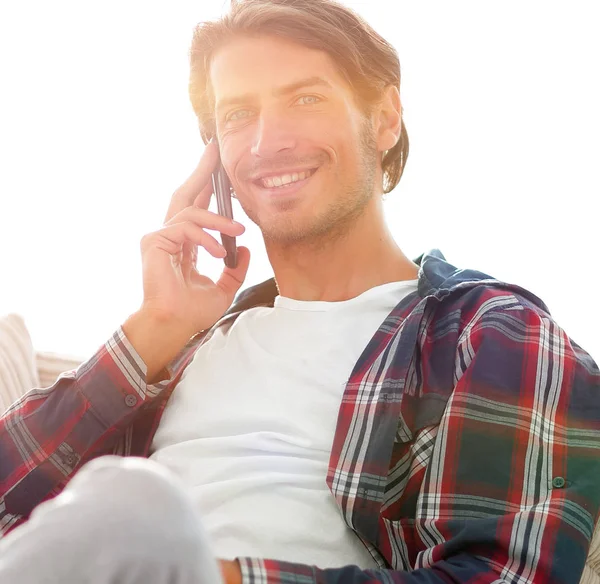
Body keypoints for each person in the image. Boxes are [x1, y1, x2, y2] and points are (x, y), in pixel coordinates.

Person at [1, 0, 599, 582]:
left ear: (385, 118)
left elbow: (503, 574)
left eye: (305, 98)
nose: (267, 142)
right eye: (237, 115)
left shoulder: (491, 331)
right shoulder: (188, 349)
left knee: (133, 507)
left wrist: (191, 571)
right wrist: (156, 324)